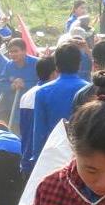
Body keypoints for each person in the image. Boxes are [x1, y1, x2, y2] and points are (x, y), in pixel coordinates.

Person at [28, 42, 89, 170]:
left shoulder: (42, 92)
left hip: (52, 153)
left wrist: (37, 157)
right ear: (79, 64)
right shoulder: (89, 89)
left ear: (56, 66)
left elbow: (39, 129)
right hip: (82, 155)